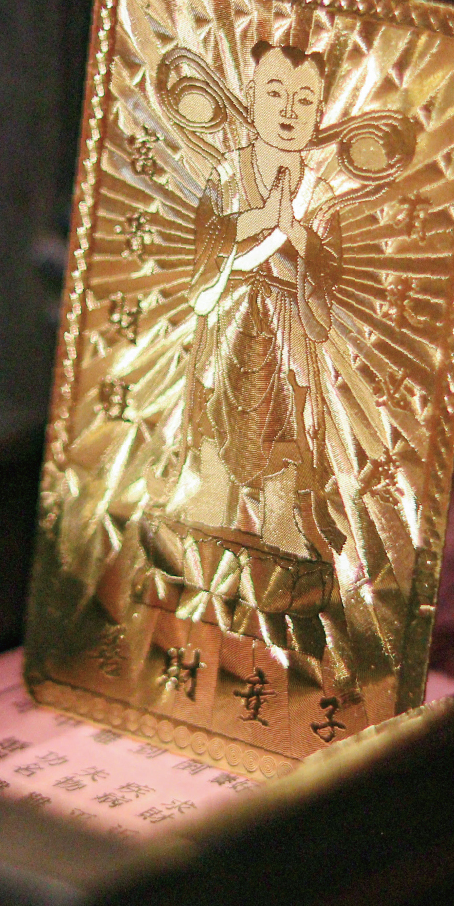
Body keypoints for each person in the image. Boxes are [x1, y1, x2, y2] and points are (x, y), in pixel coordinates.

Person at [162, 40, 347, 576]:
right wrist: (258, 219)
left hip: (288, 316)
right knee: (218, 407)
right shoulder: (227, 172)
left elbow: (329, 268)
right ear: (249, 96)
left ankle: (281, 526)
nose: (289, 110)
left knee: (286, 420)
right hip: (231, 310)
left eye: (304, 100)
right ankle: (207, 508)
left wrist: (296, 232)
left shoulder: (320, 190)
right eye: (274, 93)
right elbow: (207, 238)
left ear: (320, 111)